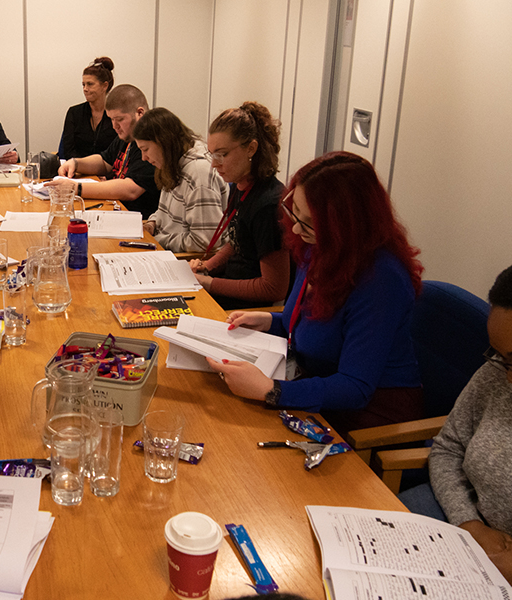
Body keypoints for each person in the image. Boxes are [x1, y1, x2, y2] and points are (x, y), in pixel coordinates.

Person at [209, 152, 424, 437]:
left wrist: (271, 391)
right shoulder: (321, 246)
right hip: (313, 391)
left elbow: (355, 387)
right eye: (294, 211)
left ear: (346, 226)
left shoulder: (381, 280)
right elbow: (311, 321)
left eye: (309, 222)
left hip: (367, 419)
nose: (296, 227)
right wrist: (268, 321)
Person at [400, 265, 512, 580]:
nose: (506, 377)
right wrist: (470, 524)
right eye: (502, 357)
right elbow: (449, 446)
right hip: (458, 521)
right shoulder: (497, 371)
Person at [188, 102, 290, 309]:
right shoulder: (242, 185)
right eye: (212, 154)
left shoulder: (268, 205)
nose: (214, 164)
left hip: (244, 311)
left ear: (251, 149)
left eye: (222, 154)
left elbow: (273, 288)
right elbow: (238, 242)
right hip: (225, 292)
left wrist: (209, 283)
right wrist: (206, 267)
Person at [53, 84, 161, 219]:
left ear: (140, 113)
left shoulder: (150, 144)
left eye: (120, 119)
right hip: (117, 210)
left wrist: (76, 188)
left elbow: (131, 189)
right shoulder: (125, 137)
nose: (114, 126)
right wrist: (76, 163)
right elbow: (105, 161)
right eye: (111, 119)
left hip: (137, 219)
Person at [132, 107, 228, 253]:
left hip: (187, 262)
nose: (143, 158)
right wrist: (153, 222)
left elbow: (203, 242)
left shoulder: (198, 172)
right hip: (167, 250)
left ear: (163, 142)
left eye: (145, 149)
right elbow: (166, 212)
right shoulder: (172, 161)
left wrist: (157, 240)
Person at [61, 57, 117, 159]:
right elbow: (68, 150)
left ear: (104, 86)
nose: (85, 89)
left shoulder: (116, 115)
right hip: (77, 170)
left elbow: (117, 153)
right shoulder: (74, 113)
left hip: (106, 171)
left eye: (90, 84)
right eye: (83, 85)